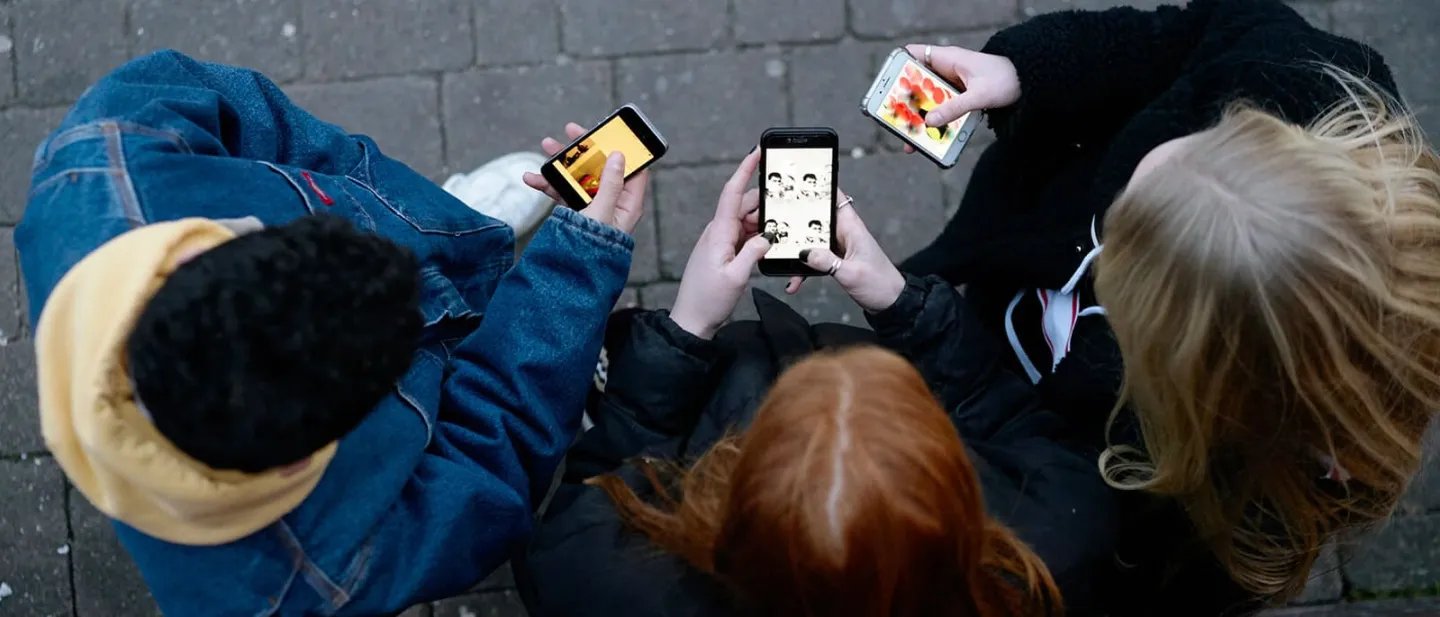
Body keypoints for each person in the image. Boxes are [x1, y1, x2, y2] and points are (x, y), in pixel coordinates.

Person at [19, 50, 645, 616]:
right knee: (495, 333)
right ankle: (487, 277)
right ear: (305, 456)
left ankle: (456, 228)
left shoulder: (104, 158)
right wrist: (576, 265)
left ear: (210, 245)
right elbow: (491, 454)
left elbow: (249, 110)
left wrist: (360, 182)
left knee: (430, 235)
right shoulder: (313, 581)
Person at [896, 1, 1440, 614]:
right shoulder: (1295, 78)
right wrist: (1026, 70)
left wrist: (910, 317)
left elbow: (1040, 488)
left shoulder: (1191, 522)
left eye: (1123, 235)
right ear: (1246, 130)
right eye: (1181, 138)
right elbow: (1173, 38)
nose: (1110, 197)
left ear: (1176, 364)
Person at [515, 150, 1118, 617]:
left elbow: (606, 476)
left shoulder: (598, 579)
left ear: (739, 494)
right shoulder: (1060, 545)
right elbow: (1008, 418)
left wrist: (686, 329)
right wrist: (900, 300)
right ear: (951, 481)